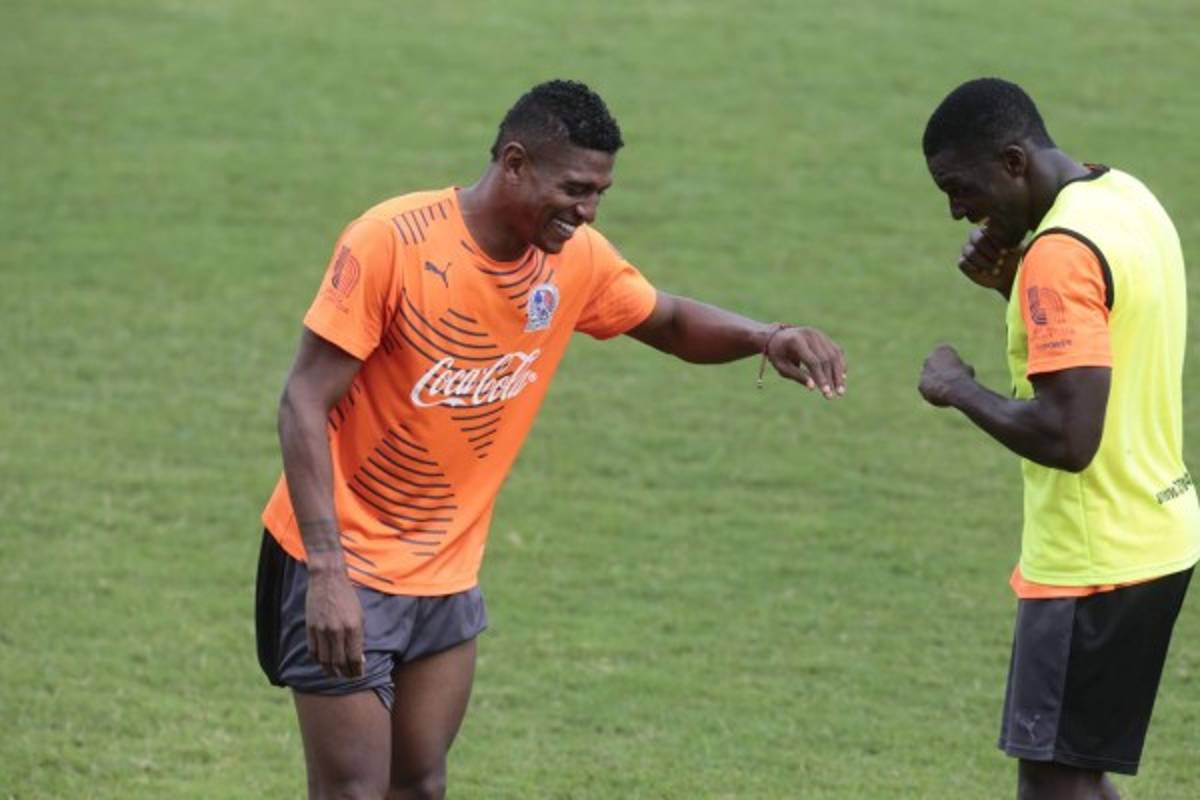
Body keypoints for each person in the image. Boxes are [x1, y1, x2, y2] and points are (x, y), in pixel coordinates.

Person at [255, 78, 847, 800]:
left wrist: (767, 337)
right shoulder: (392, 242)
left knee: (420, 785)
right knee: (353, 791)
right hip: (340, 560)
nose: (588, 211)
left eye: (600, 193)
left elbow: (666, 320)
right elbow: (302, 401)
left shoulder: (575, 260)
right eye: (574, 189)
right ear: (514, 163)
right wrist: (327, 573)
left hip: (446, 571)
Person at [917, 77, 1200, 800]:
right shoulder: (1124, 197)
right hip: (1156, 532)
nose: (957, 212)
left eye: (960, 188)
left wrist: (958, 388)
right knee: (1073, 774)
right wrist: (1012, 286)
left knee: (1052, 782)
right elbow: (1114, 331)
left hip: (1092, 556)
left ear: (1013, 162)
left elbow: (1069, 437)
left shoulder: (1059, 254)